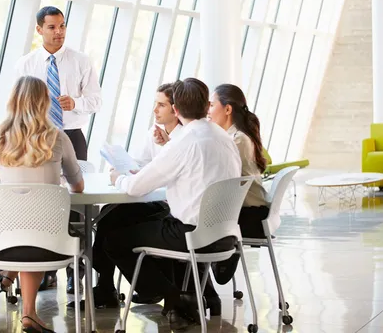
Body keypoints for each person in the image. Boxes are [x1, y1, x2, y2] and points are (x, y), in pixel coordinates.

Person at [106, 78, 242, 330]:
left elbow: (136, 187)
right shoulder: (224, 138)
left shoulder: (184, 142)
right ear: (206, 106)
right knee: (154, 222)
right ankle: (181, 295)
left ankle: (173, 297)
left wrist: (118, 178)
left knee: (112, 238)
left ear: (176, 110)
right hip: (226, 234)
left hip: (191, 235)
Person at [16, 6, 101, 293]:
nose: (59, 32)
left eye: (62, 26)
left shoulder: (80, 61)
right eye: (52, 27)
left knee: (76, 207)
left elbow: (96, 101)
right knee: (41, 201)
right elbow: (18, 102)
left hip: (71, 135)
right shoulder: (26, 64)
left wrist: (75, 103)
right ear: (39, 30)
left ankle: (77, 272)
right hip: (35, 137)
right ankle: (46, 269)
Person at [0, 76, 84, 333]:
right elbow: (78, 185)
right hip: (50, 242)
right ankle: (29, 313)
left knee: (27, 228)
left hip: (5, 241)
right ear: (44, 102)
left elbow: (3, 180)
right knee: (55, 229)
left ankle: (13, 283)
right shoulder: (57, 137)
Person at [85, 83, 182, 308]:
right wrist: (125, 168)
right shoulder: (154, 132)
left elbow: (169, 172)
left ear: (175, 109)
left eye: (161, 105)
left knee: (112, 222)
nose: (155, 110)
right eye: (155, 104)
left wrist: (132, 176)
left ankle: (139, 288)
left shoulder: (183, 138)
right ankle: (107, 286)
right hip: (147, 195)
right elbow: (142, 164)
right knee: (108, 215)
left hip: (166, 203)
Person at [207, 83, 270, 283]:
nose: (207, 111)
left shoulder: (237, 140)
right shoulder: (234, 137)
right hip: (248, 211)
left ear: (227, 109)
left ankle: (195, 291)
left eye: (211, 105)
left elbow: (215, 174)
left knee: (187, 225)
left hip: (248, 216)